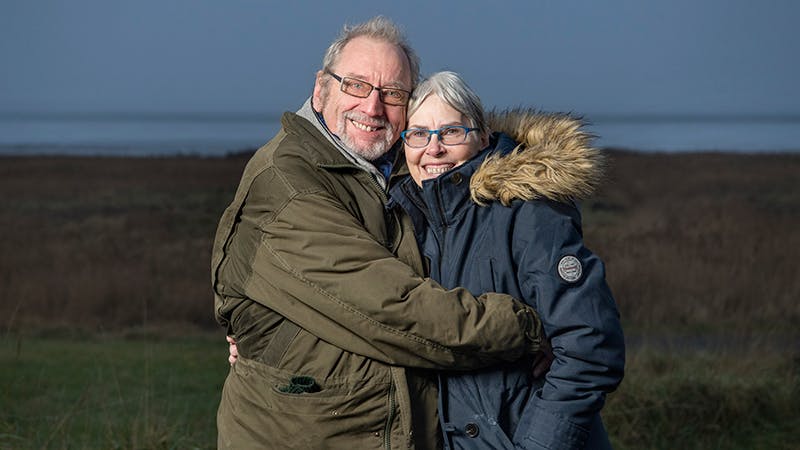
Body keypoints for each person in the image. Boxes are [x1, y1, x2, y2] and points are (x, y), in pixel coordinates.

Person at [211, 17, 546, 449]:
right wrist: (535, 327)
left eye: (392, 94)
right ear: (321, 88)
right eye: (355, 85)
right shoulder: (289, 188)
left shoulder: (406, 164)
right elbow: (399, 312)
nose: (372, 108)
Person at [387, 72, 625, 449]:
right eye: (419, 134)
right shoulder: (407, 222)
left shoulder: (527, 210)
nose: (433, 149)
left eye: (451, 132)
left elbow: (590, 345)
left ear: (482, 138)